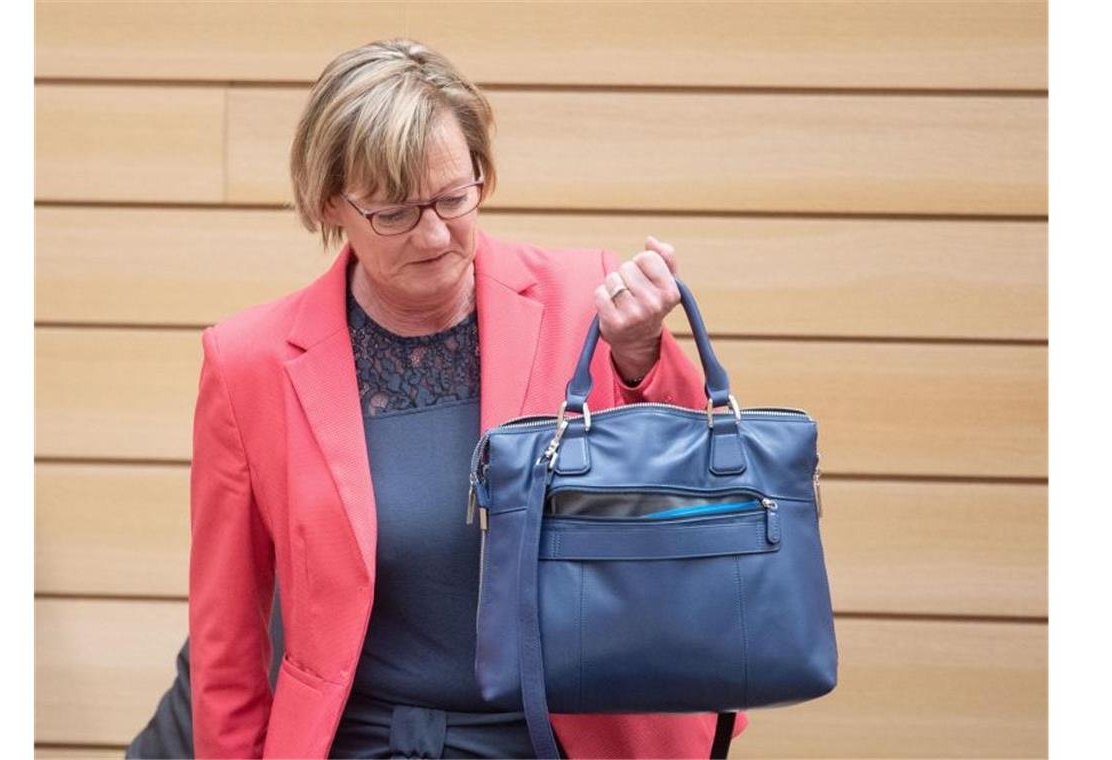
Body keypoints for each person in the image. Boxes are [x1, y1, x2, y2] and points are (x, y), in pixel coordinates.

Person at [154, 38, 750, 758]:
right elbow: (227, 635)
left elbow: (691, 489)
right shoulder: (248, 363)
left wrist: (640, 354)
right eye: (396, 213)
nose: (435, 234)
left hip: (565, 735)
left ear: (481, 173)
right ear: (331, 203)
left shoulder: (580, 302)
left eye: (453, 198)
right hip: (360, 741)